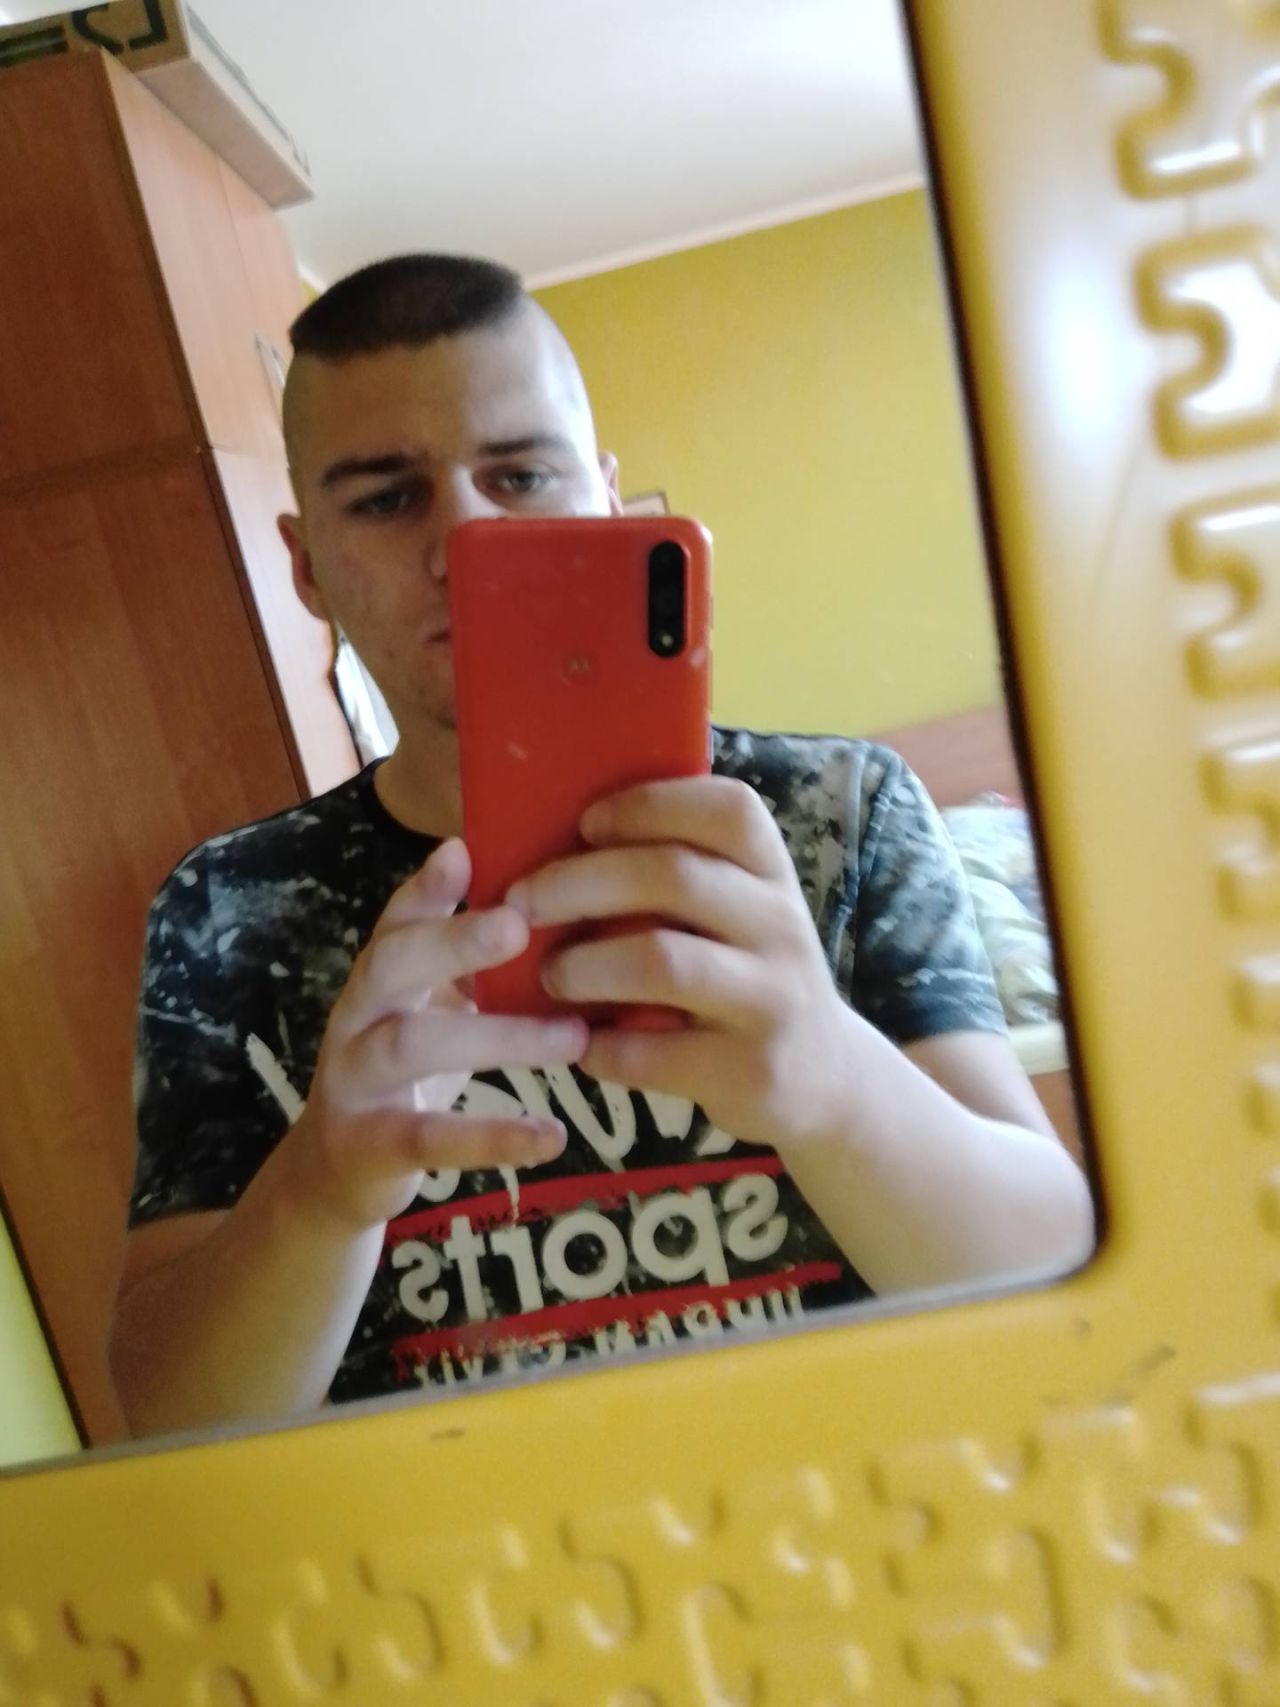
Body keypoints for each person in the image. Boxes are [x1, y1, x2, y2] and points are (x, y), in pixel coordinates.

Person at [109, 254, 1092, 1433]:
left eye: (519, 475)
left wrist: (832, 1081)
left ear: (609, 503)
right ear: (307, 566)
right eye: (386, 498)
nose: (466, 541)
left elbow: (1054, 1269)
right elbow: (170, 1415)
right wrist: (319, 1189)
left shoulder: (838, 809)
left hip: (858, 1509)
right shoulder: (226, 907)